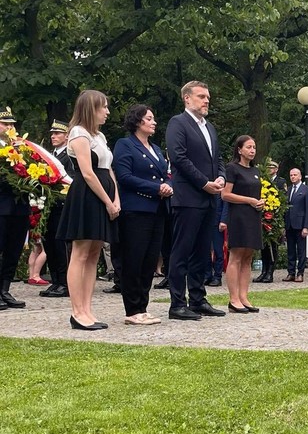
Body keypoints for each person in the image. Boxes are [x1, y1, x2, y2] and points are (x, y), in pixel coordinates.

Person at [57, 90, 119, 330]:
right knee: (80, 252)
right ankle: (77, 311)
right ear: (91, 109)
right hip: (87, 196)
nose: (107, 112)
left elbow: (108, 169)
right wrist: (107, 201)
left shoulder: (99, 136)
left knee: (94, 253)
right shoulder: (78, 133)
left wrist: (116, 198)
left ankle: (87, 309)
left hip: (104, 195)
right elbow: (88, 173)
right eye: (103, 107)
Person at [165, 80, 227, 320]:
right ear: (187, 98)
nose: (206, 100)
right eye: (201, 96)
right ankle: (177, 303)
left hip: (210, 198)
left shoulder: (209, 127)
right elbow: (179, 158)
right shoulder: (177, 123)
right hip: (189, 198)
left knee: (202, 252)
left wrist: (221, 177)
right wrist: (204, 182)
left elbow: (217, 158)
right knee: (182, 251)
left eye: (207, 97)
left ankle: (198, 299)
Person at [113, 104, 172, 325]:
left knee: (149, 260)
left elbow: (166, 175)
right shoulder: (125, 145)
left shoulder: (155, 148)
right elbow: (124, 176)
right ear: (138, 121)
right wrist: (155, 188)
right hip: (135, 209)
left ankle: (143, 307)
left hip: (157, 210)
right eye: (149, 118)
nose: (154, 122)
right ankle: (132, 309)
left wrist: (168, 186)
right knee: (133, 259)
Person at [221, 135, 263, 313]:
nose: (252, 150)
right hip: (238, 215)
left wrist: (259, 202)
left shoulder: (255, 171)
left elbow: (255, 193)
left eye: (254, 147)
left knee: (248, 257)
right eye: (248, 147)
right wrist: (249, 200)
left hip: (253, 215)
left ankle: (244, 296)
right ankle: (234, 299)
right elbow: (225, 194)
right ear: (239, 150)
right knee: (236, 256)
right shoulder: (232, 168)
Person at [40, 119, 74, 298]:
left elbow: (71, 179)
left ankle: (65, 283)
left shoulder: (70, 156)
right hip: (48, 206)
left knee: (61, 245)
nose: (53, 136)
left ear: (67, 136)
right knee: (50, 244)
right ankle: (56, 280)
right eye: (52, 133)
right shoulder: (49, 156)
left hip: (62, 206)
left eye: (57, 133)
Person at [0, 107, 29, 310]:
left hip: (20, 207)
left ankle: (4, 289)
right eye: (5, 124)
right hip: (2, 206)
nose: (10, 127)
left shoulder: (22, 148)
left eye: (12, 124)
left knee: (14, 250)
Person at [254, 159, 286, 283]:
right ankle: (264, 271)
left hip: (274, 217)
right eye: (268, 168)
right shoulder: (262, 181)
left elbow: (283, 199)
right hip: (263, 216)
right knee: (264, 247)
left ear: (276, 169)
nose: (269, 170)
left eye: (271, 168)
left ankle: (270, 272)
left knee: (273, 246)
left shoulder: (280, 181)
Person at [283, 168, 308, 283]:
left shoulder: (306, 190)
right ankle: (291, 273)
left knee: (301, 250)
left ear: (300, 176)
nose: (293, 177)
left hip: (300, 225)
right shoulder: (288, 190)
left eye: (295, 175)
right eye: (291, 175)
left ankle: (300, 273)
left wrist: (306, 226)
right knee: (290, 250)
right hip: (289, 225)